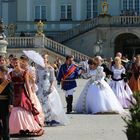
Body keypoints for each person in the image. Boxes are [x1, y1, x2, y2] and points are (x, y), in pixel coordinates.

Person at [9, 57, 44, 136]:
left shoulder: (24, 72)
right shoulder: (11, 73)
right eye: (13, 63)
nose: (15, 64)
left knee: (24, 106)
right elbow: (8, 84)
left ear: (19, 63)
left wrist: (29, 95)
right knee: (14, 108)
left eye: (16, 62)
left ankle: (26, 127)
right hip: (14, 93)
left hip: (22, 92)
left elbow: (27, 84)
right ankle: (14, 128)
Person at [36, 53, 69, 126]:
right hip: (40, 87)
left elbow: (52, 79)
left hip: (48, 86)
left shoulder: (50, 68)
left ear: (47, 59)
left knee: (49, 103)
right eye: (42, 58)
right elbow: (37, 79)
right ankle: (42, 119)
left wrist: (51, 87)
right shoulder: (38, 68)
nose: (43, 60)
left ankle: (50, 119)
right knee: (41, 103)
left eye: (45, 58)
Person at [20, 55, 44, 126]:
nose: (22, 63)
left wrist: (29, 76)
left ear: (27, 61)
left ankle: (35, 119)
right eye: (21, 61)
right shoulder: (20, 69)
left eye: (23, 61)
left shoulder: (31, 69)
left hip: (28, 87)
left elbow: (34, 80)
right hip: (21, 87)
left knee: (32, 102)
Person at [0, 66, 13, 140]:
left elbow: (11, 94)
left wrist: (10, 104)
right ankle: (2, 133)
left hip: (5, 104)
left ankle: (6, 137)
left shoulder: (8, 82)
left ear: (4, 72)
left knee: (5, 122)